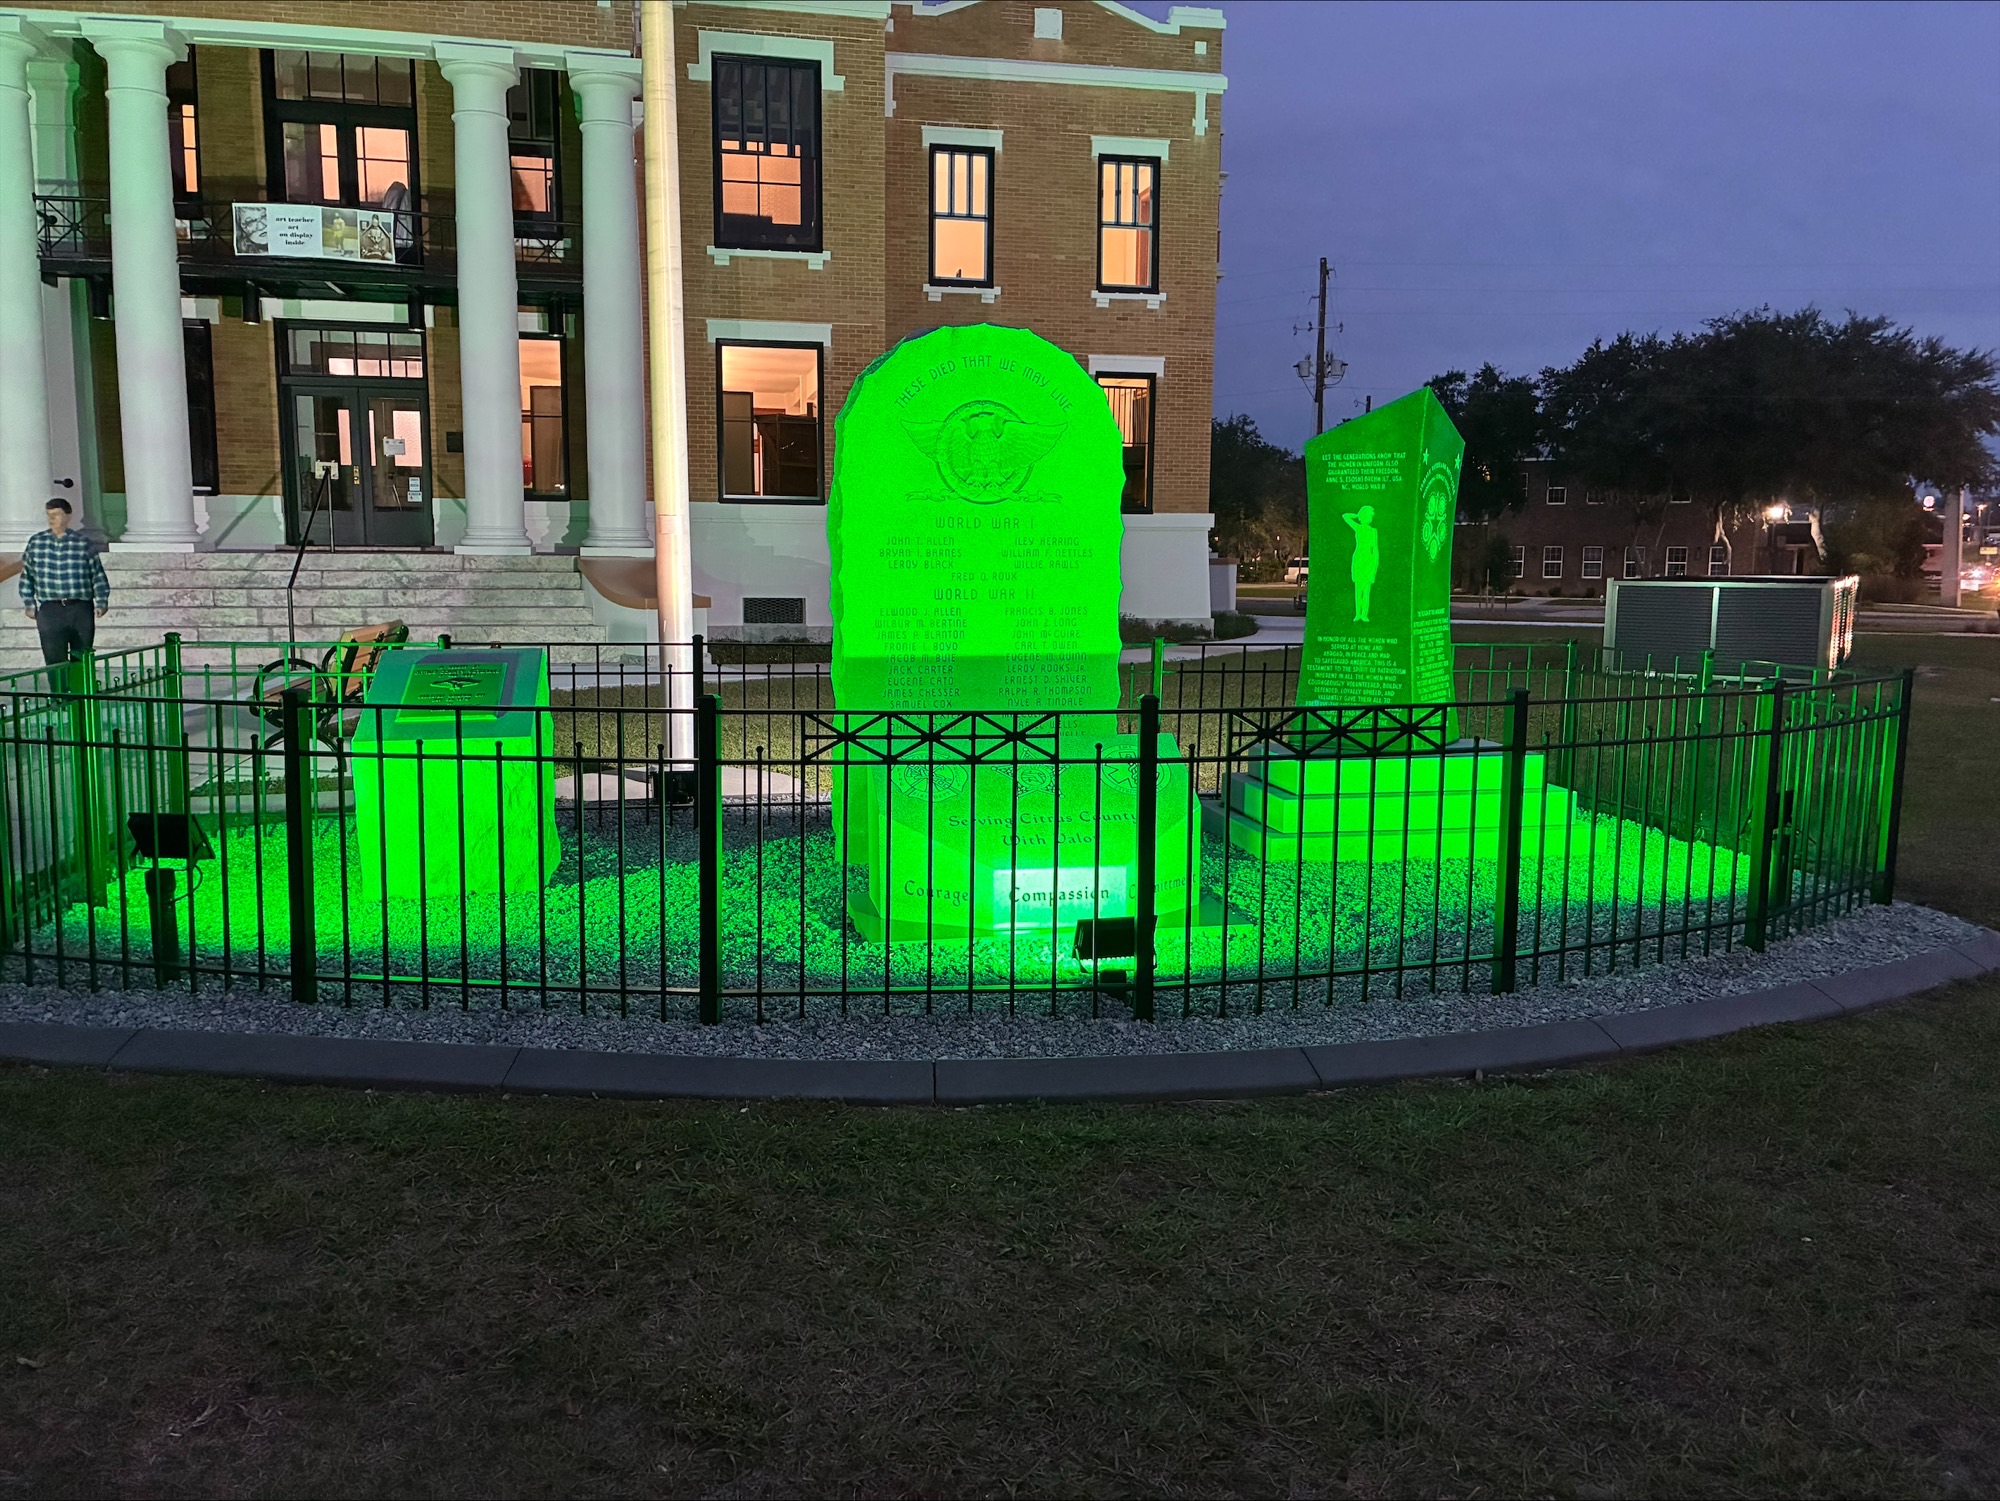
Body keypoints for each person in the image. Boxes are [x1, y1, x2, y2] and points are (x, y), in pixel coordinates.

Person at [21, 498, 109, 666]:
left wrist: (102, 601)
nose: (51, 519)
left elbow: (97, 574)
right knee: (54, 658)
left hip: (80, 607)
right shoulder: (36, 542)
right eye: (49, 515)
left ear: (68, 516)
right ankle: (58, 692)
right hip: (50, 609)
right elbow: (27, 575)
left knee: (82, 656)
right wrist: (29, 603)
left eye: (56, 515)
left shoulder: (82, 543)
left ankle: (81, 692)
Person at [1343, 504, 1380, 624]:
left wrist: (1373, 568)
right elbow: (1345, 516)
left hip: (1368, 561)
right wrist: (1357, 514)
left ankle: (1364, 614)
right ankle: (1358, 614)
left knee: (1366, 590)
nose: (1369, 519)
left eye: (1371, 517)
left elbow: (1375, 550)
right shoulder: (1358, 528)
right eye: (1368, 516)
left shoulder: (1373, 531)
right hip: (1358, 559)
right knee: (1358, 590)